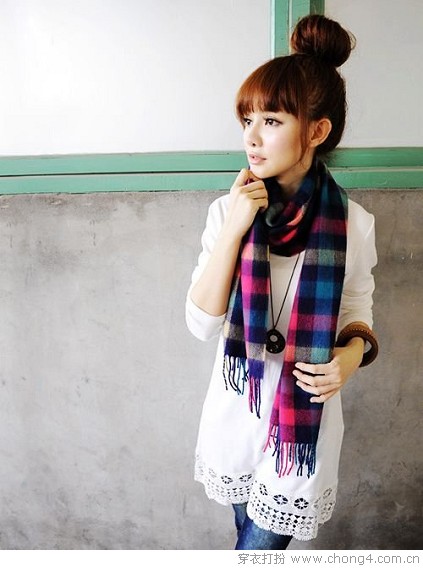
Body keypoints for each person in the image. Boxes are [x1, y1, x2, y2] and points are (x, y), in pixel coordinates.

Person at [185, 14, 378, 550]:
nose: (251, 137)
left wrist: (350, 357)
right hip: (236, 412)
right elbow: (201, 323)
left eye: (270, 120)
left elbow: (357, 308)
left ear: (316, 131)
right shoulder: (227, 211)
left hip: (301, 429)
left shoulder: (354, 225)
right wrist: (235, 228)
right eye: (247, 119)